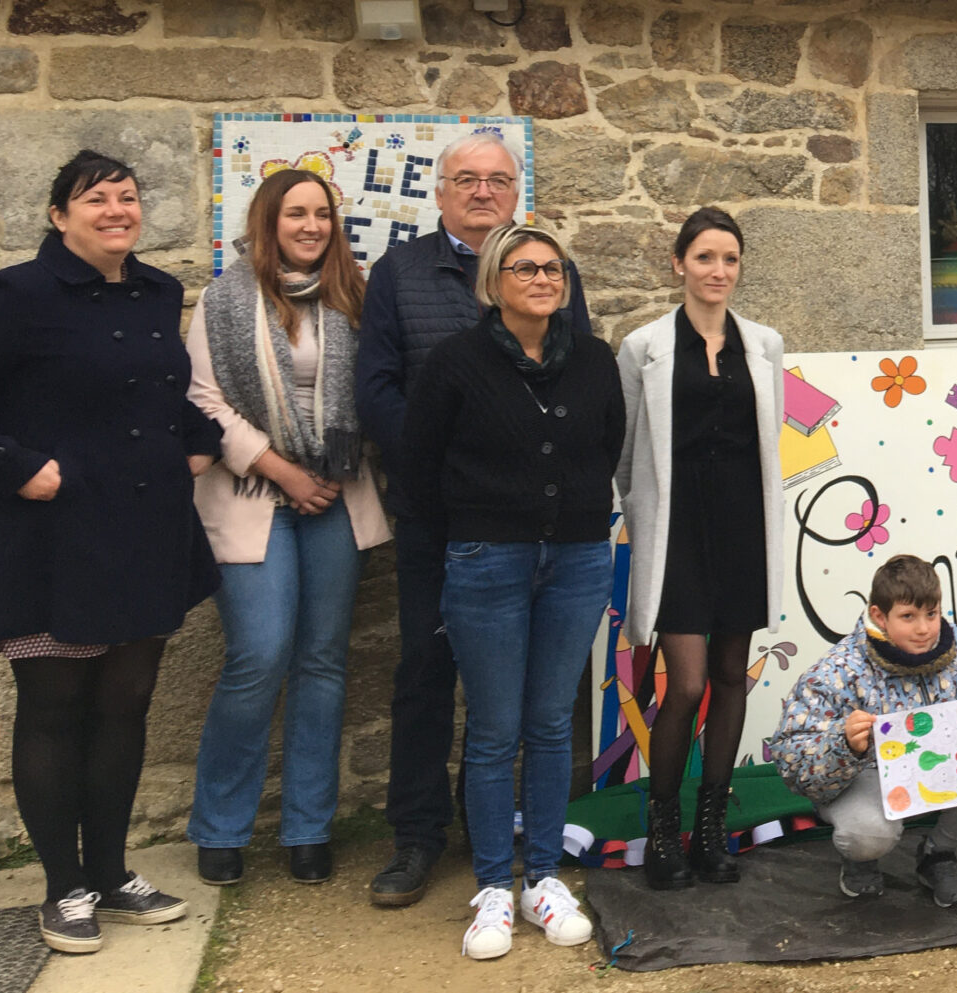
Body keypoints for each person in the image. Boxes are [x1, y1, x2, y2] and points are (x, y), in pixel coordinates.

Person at [0, 150, 216, 952]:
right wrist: (14, 465)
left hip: (141, 530)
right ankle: (62, 888)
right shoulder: (14, 295)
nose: (115, 210)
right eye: (94, 199)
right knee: (55, 709)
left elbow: (158, 391)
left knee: (123, 707)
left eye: (126, 197)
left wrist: (197, 442)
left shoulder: (158, 289)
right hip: (49, 535)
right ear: (60, 216)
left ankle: (110, 871)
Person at [355, 131, 593, 906]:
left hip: (536, 525)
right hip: (438, 520)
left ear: (516, 188)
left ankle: (506, 832)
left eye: (498, 179)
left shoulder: (555, 270)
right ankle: (418, 838)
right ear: (441, 191)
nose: (483, 192)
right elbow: (379, 391)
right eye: (468, 180)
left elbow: (577, 380)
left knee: (527, 694)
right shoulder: (399, 273)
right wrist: (446, 476)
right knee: (427, 672)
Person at [401, 224, 622, 959]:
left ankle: (543, 880)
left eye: (552, 268)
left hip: (578, 560)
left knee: (552, 723)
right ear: (494, 282)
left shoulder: (593, 359)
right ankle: (495, 885)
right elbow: (420, 471)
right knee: (495, 731)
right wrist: (448, 559)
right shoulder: (453, 364)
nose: (541, 278)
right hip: (485, 560)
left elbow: (606, 445)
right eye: (524, 267)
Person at [184, 168, 390, 888]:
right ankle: (220, 825)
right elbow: (205, 400)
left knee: (323, 661)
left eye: (322, 215)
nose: (310, 226)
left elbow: (374, 389)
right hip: (253, 491)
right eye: (296, 214)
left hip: (339, 490)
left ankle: (309, 827)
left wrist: (334, 465)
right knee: (260, 655)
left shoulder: (355, 299)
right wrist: (284, 469)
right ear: (269, 221)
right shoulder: (225, 298)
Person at [614, 206, 785, 890]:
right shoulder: (643, 346)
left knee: (729, 675)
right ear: (679, 262)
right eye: (706, 257)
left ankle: (712, 829)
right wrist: (645, 516)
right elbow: (626, 457)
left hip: (743, 526)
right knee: (683, 684)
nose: (719, 271)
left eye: (730, 259)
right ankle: (663, 829)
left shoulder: (764, 344)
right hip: (676, 529)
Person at [769, 554, 957, 908]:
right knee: (867, 835)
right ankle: (860, 859)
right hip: (869, 780)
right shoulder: (840, 668)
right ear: (879, 615)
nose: (924, 629)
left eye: (932, 614)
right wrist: (843, 744)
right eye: (908, 617)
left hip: (935, 768)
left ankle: (937, 855)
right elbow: (790, 755)